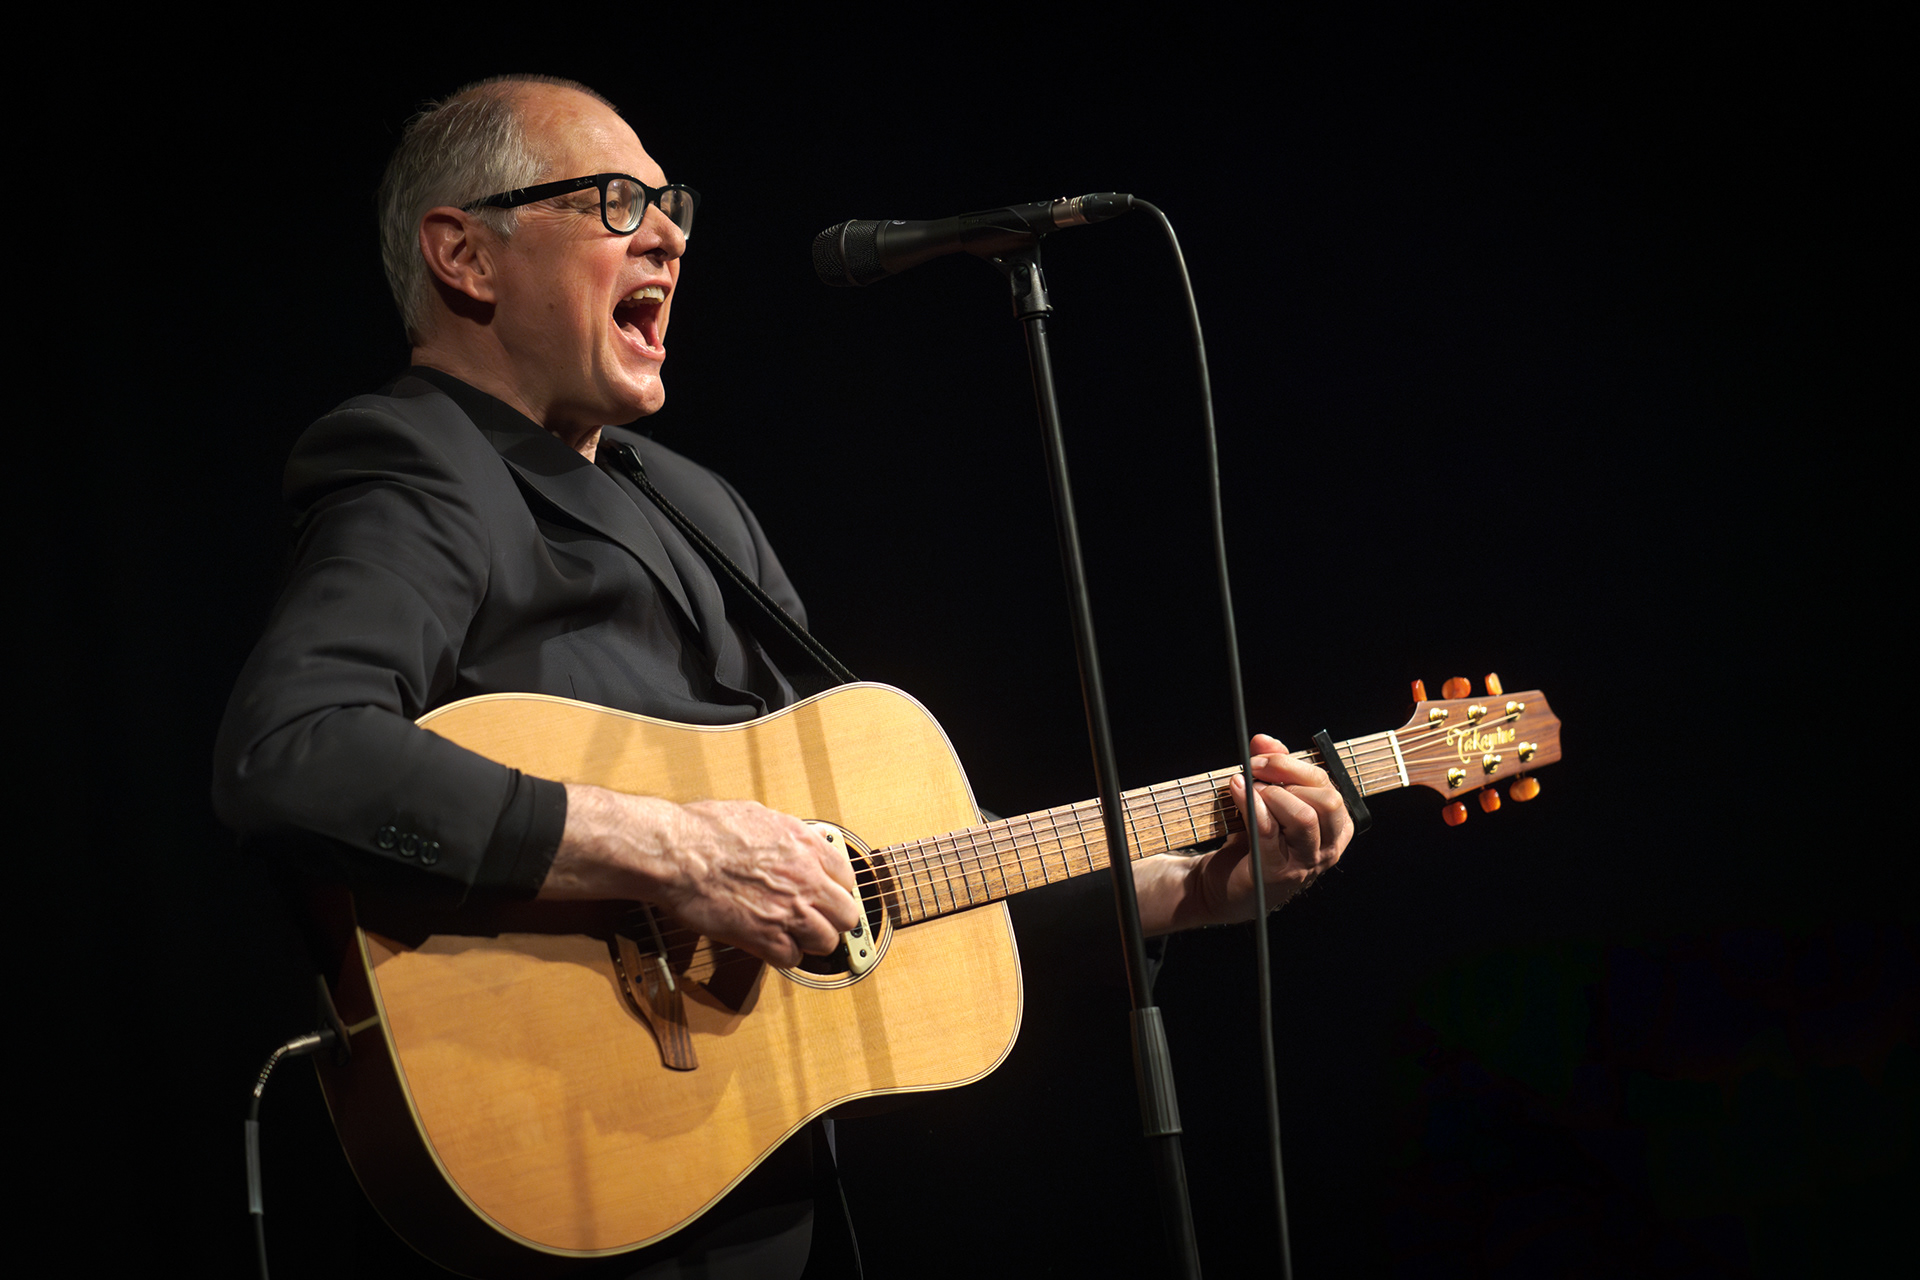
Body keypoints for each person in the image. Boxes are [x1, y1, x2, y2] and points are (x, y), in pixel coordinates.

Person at [214, 74, 1351, 1278]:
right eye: (614, 202)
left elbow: (874, 877)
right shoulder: (418, 462)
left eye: (672, 207)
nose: (668, 237)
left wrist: (1181, 886)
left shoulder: (695, 506)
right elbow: (291, 755)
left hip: (758, 1198)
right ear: (465, 256)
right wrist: (675, 851)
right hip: (567, 1172)